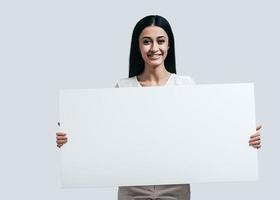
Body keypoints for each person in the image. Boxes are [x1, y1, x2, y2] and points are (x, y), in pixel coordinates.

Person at [56, 15, 262, 200]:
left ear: (169, 45)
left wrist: (242, 138)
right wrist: (72, 139)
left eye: (160, 41)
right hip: (132, 186)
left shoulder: (185, 85)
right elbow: (106, 134)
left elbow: (205, 130)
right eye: (146, 42)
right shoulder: (123, 87)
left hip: (175, 186)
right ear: (138, 47)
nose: (154, 48)